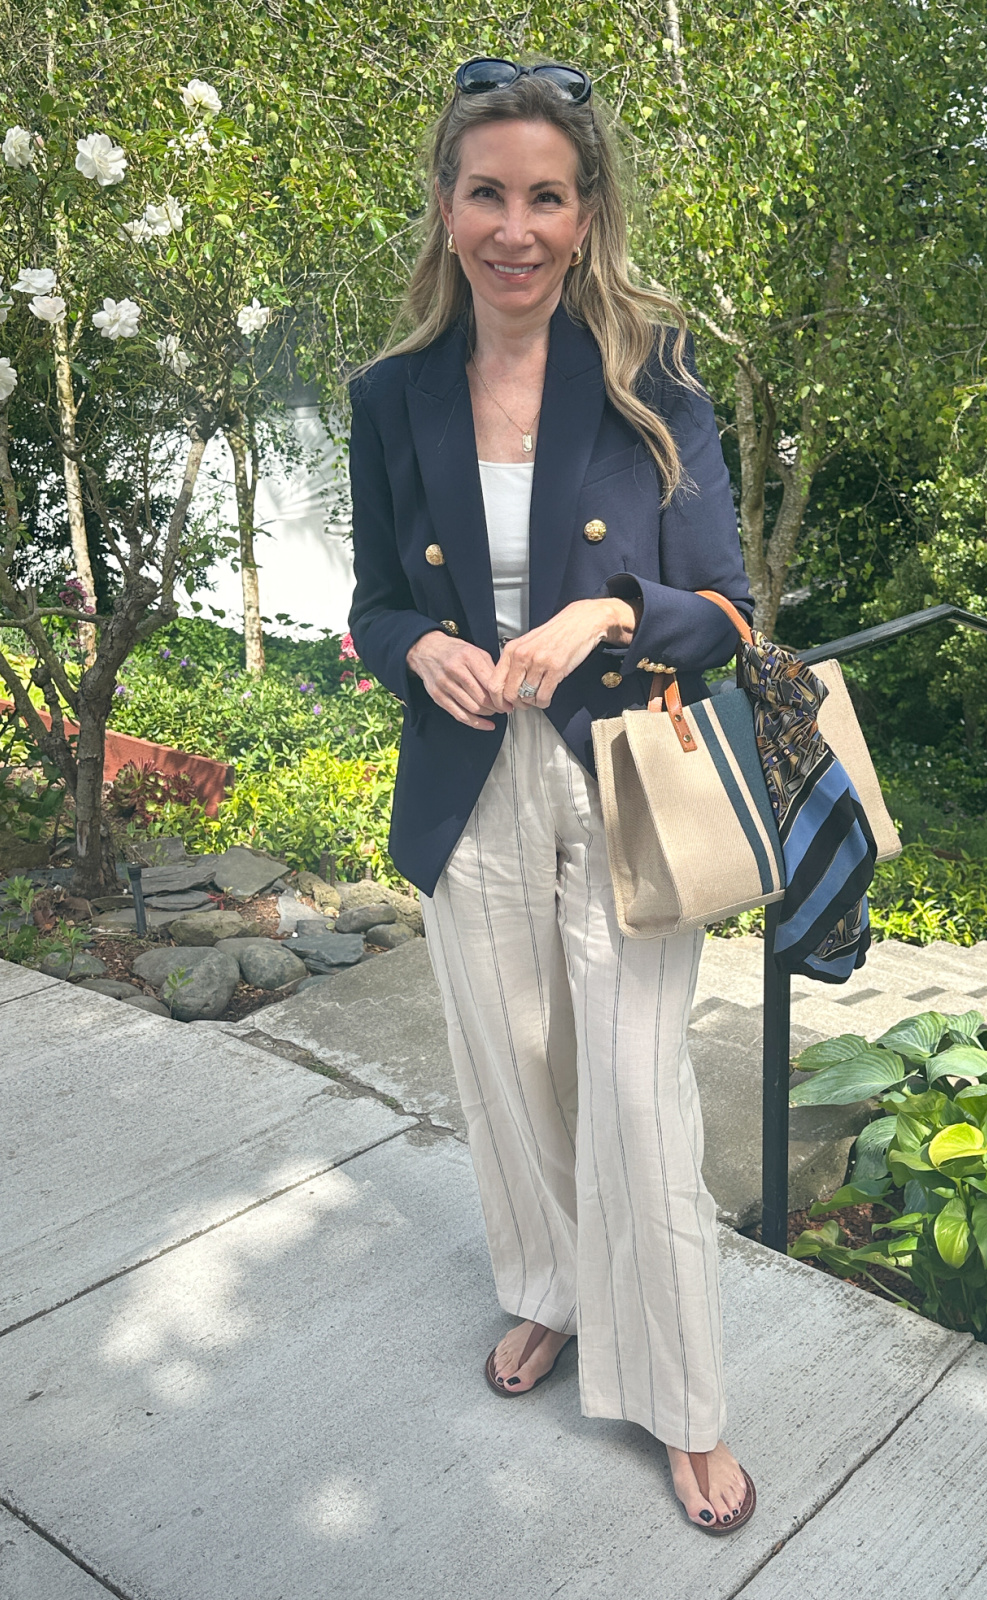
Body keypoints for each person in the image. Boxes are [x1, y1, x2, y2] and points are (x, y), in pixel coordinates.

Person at [347, 56, 756, 1534]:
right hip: (471, 786)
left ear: (586, 217)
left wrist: (606, 618)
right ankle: (553, 1294)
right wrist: (425, 650)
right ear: (447, 207)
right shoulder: (390, 397)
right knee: (515, 1080)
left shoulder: (654, 378)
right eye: (485, 193)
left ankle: (686, 1397)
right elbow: (375, 603)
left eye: (545, 196)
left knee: (637, 1095)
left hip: (628, 778)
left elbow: (734, 607)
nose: (512, 227)